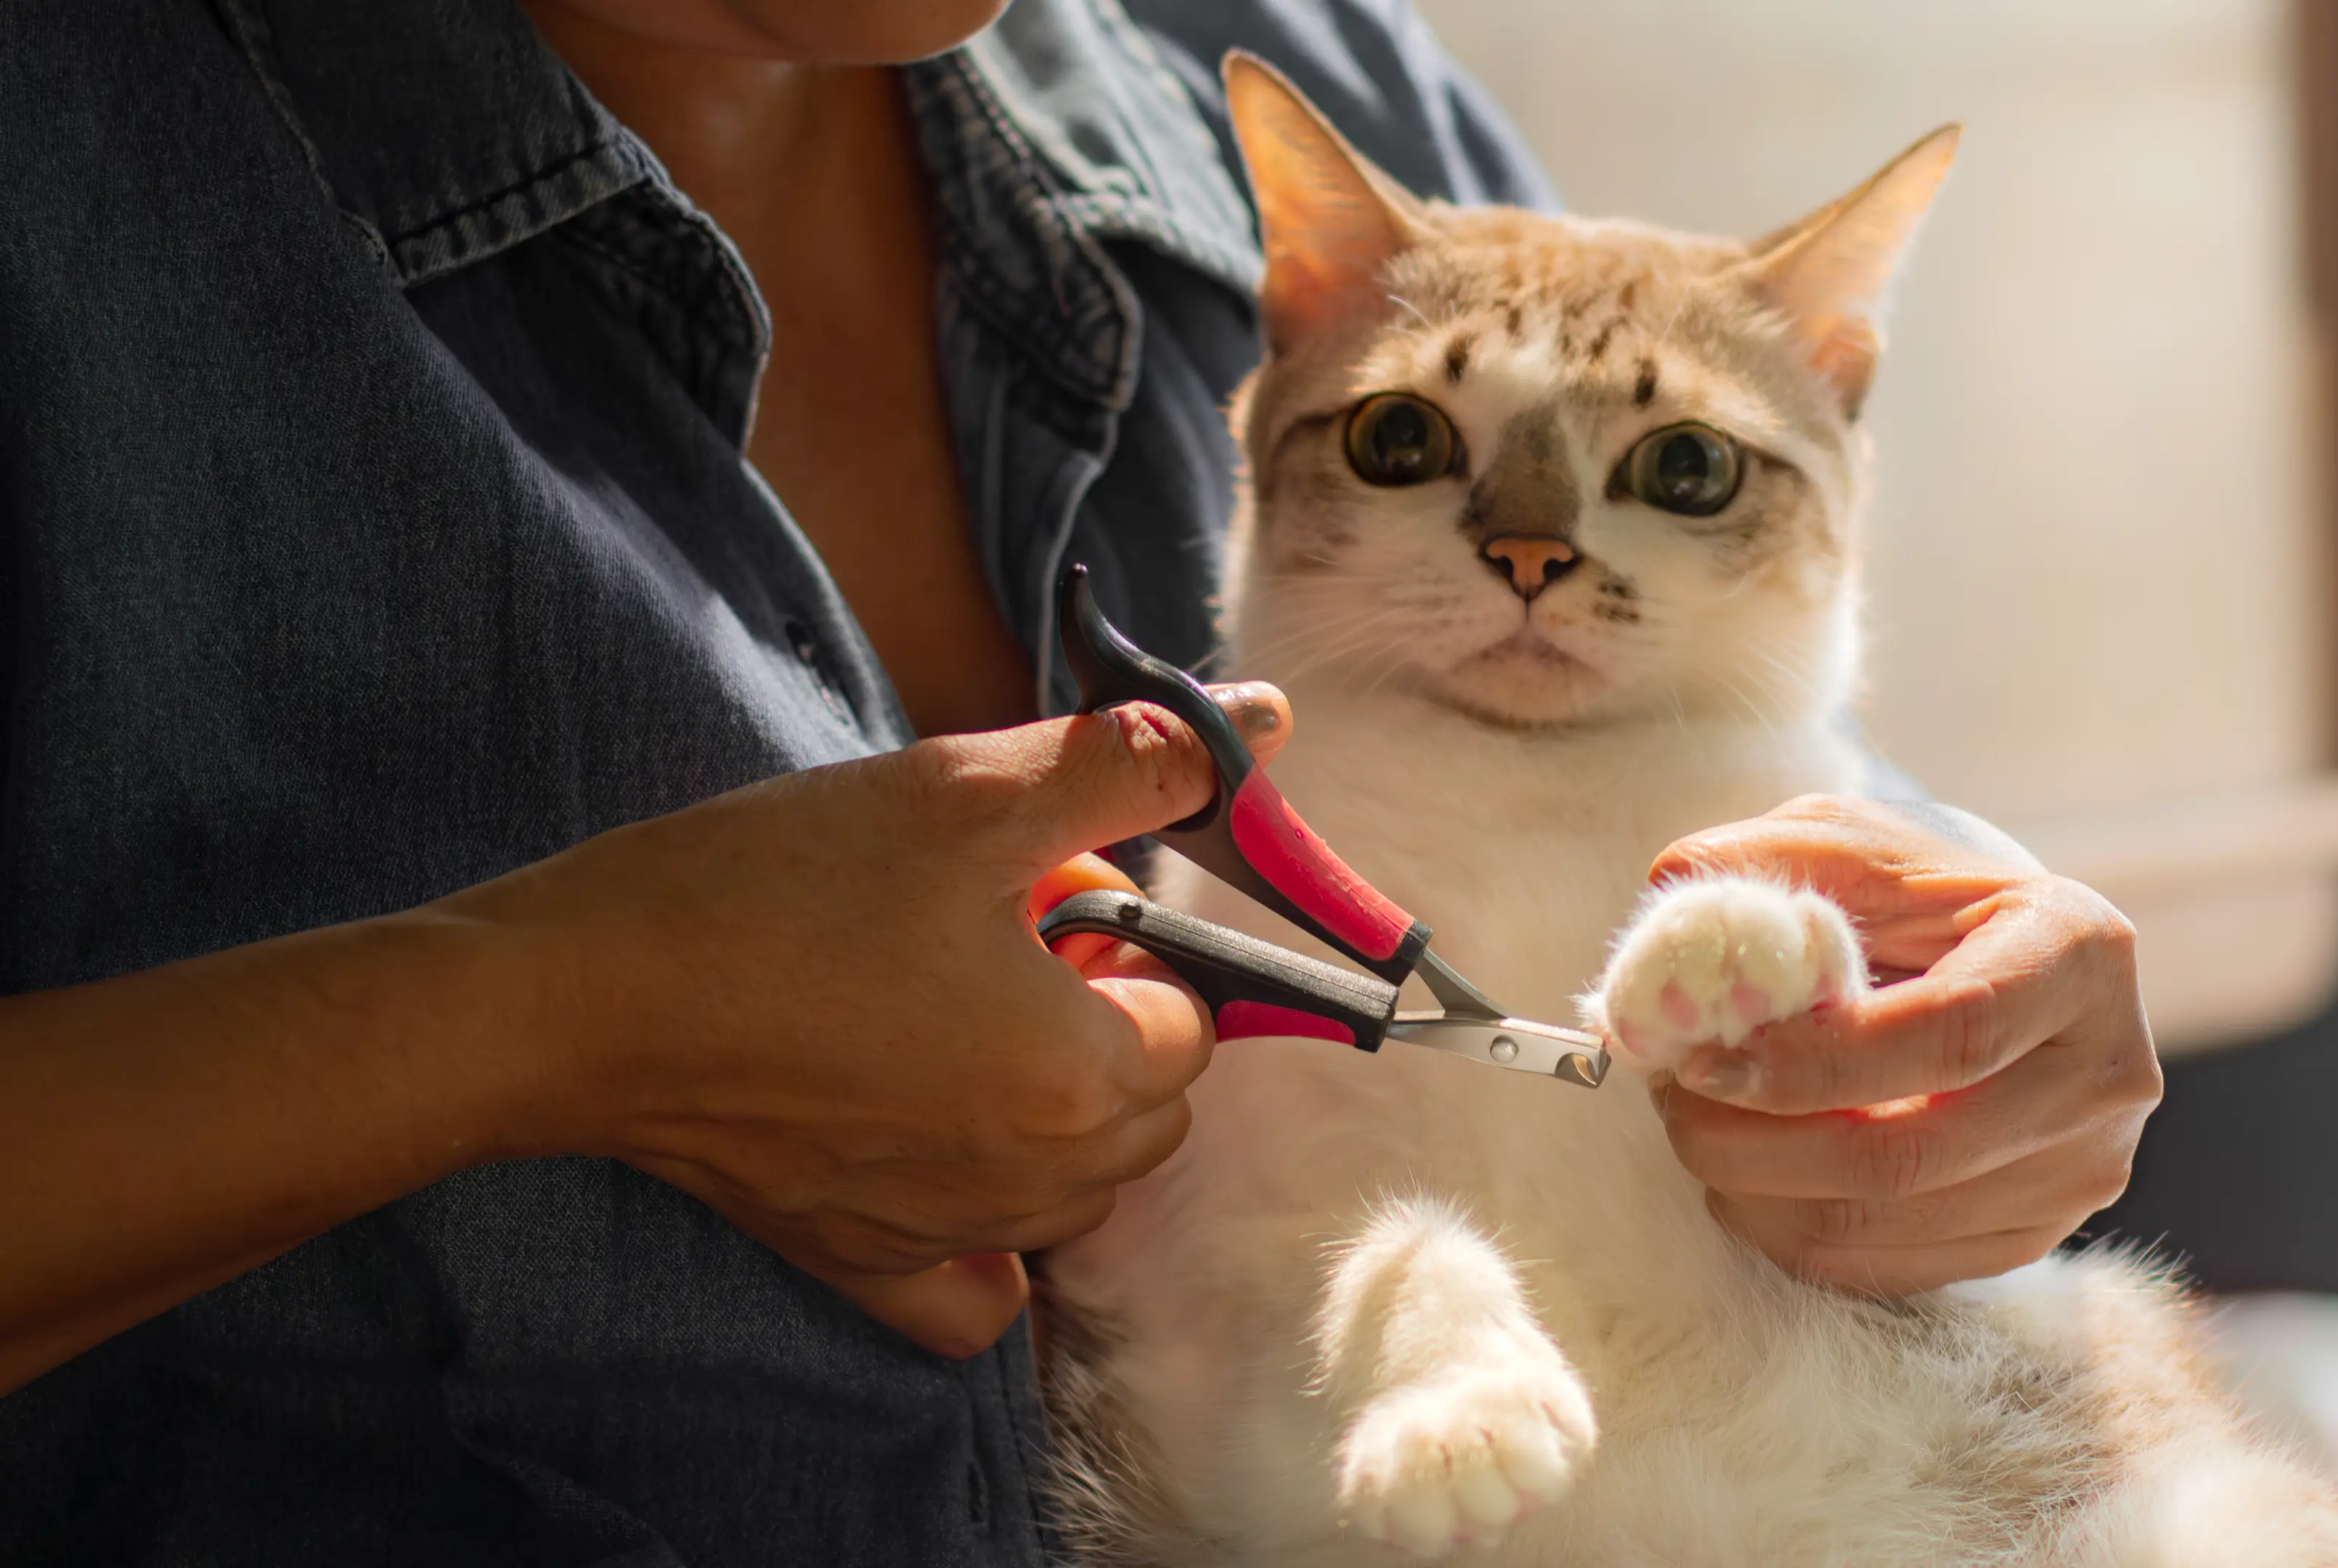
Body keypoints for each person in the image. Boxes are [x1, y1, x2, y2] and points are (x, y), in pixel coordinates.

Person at [0, 0, 2164, 1561]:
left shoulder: (1297, 68)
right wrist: (554, 1020)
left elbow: (1719, 731)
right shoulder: (79, 167)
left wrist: (1967, 979)